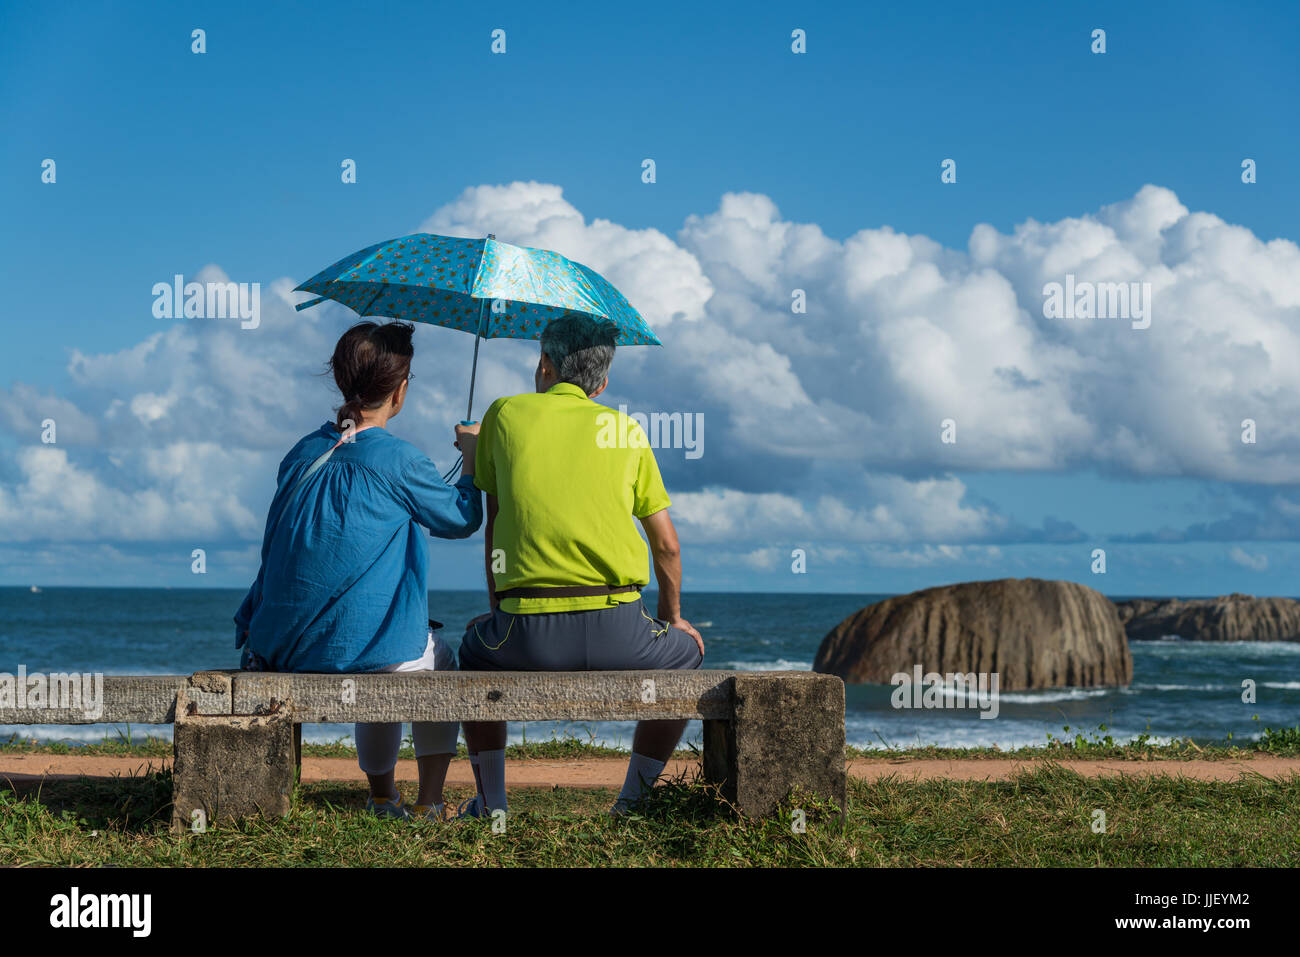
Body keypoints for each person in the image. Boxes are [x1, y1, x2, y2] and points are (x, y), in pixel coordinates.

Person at [458, 313, 704, 817]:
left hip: (526, 634)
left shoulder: (504, 415)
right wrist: (673, 617)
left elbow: (497, 527)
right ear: (603, 382)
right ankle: (632, 802)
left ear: (544, 364)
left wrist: (472, 451)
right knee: (688, 654)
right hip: (622, 631)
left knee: (473, 652)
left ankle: (493, 806)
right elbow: (668, 546)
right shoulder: (626, 430)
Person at [234, 320, 482, 820]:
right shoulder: (399, 459)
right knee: (426, 656)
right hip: (361, 652)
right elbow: (461, 519)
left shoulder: (302, 452)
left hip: (280, 649)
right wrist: (473, 461)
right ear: (401, 388)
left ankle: (382, 795)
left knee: (390, 643)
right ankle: (428, 802)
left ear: (343, 380)